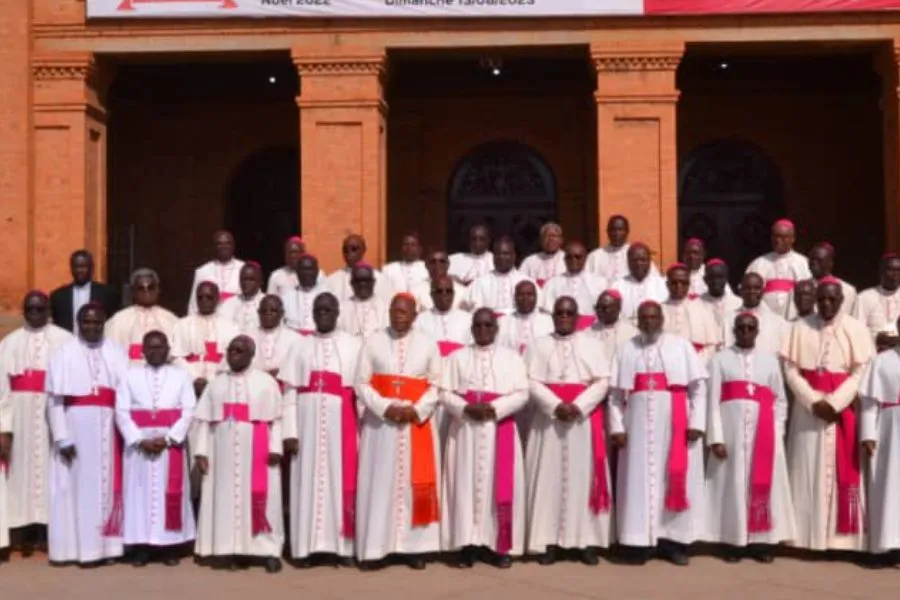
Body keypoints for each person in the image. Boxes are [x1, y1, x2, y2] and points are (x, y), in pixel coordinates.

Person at [609, 300, 708, 566]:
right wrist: (617, 427)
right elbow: (616, 396)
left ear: (661, 319)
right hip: (637, 428)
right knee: (638, 482)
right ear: (637, 321)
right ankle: (639, 542)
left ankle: (672, 542)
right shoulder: (626, 349)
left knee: (672, 478)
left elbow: (698, 388)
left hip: (675, 425)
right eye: (644, 318)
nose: (649, 322)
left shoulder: (680, 346)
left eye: (654, 317)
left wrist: (696, 422)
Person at [781, 277, 874, 553]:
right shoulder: (799, 327)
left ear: (842, 301)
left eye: (832, 299)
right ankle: (804, 539)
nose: (826, 304)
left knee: (841, 473)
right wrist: (813, 401)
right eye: (821, 299)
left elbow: (860, 371)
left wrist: (834, 403)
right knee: (805, 470)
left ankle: (839, 541)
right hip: (807, 413)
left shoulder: (855, 329)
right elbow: (790, 369)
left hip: (840, 411)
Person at [354, 294, 442, 569]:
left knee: (411, 485)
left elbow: (438, 383)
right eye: (394, 310)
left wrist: (416, 410)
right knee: (380, 483)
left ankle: (413, 548)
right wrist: (385, 407)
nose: (398, 316)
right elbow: (361, 383)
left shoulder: (428, 343)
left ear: (415, 315)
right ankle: (376, 547)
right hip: (382, 427)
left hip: (416, 424)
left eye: (404, 312)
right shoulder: (374, 341)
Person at [525, 297, 613, 566]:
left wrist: (578, 405)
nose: (564, 316)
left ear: (577, 316)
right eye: (559, 312)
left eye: (569, 312)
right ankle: (548, 541)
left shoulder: (593, 345)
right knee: (547, 479)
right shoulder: (537, 345)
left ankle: (585, 541)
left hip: (581, 421)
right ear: (552, 315)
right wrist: (554, 405)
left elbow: (603, 381)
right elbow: (529, 380)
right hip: (549, 421)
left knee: (583, 478)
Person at [440, 309, 529, 568]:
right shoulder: (457, 358)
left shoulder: (511, 359)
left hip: (498, 429)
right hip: (465, 430)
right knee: (464, 485)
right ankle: (467, 544)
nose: (482, 330)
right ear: (471, 328)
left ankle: (498, 546)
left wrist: (495, 408)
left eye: (488, 325)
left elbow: (522, 393)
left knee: (497, 486)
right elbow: (444, 392)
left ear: (496, 329)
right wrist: (465, 408)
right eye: (477, 325)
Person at [704, 313, 795, 563]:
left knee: (763, 485)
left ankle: (761, 543)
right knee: (731, 484)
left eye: (750, 328)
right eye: (741, 328)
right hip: (730, 434)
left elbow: (780, 401)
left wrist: (776, 433)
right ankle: (733, 542)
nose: (745, 332)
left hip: (763, 436)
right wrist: (716, 437)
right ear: (734, 330)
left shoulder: (769, 361)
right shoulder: (719, 360)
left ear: (757, 331)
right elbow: (711, 401)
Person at [280, 292, 362, 567]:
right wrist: (289, 432)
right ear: (312, 314)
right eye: (318, 310)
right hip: (306, 427)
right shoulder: (299, 347)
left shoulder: (353, 345)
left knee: (340, 483)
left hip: (342, 426)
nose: (323, 314)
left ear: (338, 312)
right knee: (306, 482)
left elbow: (360, 390)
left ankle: (343, 547)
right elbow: (289, 392)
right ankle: (304, 549)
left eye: (328, 309)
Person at [45, 302, 129, 565]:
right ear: (78, 324)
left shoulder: (116, 351)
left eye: (97, 322)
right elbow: (55, 400)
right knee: (75, 489)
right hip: (76, 430)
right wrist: (62, 437)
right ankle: (78, 550)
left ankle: (108, 549)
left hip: (109, 426)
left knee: (107, 487)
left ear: (104, 323)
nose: (92, 327)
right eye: (87, 322)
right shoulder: (64, 353)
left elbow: (126, 394)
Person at [193, 335, 284, 572]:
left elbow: (277, 419)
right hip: (222, 453)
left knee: (265, 500)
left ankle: (268, 551)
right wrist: (201, 452)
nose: (234, 354)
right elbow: (204, 421)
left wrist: (276, 448)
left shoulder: (266, 382)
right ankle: (229, 549)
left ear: (252, 355)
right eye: (231, 350)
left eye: (240, 351)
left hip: (258, 451)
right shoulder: (216, 383)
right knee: (225, 499)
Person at [115, 331, 196, 567]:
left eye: (160, 347)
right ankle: (141, 547)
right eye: (150, 347)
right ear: (142, 350)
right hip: (139, 446)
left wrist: (169, 438)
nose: (155, 351)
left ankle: (170, 547)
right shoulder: (129, 375)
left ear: (168, 350)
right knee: (138, 496)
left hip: (169, 446)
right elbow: (121, 412)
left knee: (168, 493)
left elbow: (189, 410)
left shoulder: (181, 376)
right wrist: (140, 439)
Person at [0, 291, 72, 555]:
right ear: (23, 312)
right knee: (20, 474)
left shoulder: (65, 340)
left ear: (48, 310)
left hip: (51, 415)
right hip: (20, 416)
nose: (35, 314)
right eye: (30, 309)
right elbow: (2, 390)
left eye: (40, 309)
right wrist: (4, 429)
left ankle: (49, 532)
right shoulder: (9, 343)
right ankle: (21, 532)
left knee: (51, 471)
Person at [860, 319, 900, 563]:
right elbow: (869, 402)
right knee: (889, 486)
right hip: (888, 428)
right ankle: (891, 545)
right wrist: (868, 434)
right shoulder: (882, 361)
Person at [172, 282, 240, 399]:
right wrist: (194, 379)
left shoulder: (230, 327)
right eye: (200, 297)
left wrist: (212, 380)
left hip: (220, 383)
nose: (204, 300)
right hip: (188, 383)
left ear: (218, 299)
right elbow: (176, 357)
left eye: (209, 297)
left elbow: (232, 358)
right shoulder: (181, 325)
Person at [105, 269, 179, 365]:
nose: (146, 291)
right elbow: (110, 356)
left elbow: (178, 357)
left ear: (158, 290)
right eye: (141, 288)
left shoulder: (171, 320)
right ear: (133, 291)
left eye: (150, 287)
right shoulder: (118, 320)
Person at [745, 219, 811, 318]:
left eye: (783, 237)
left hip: (795, 319)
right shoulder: (758, 263)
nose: (778, 241)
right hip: (765, 320)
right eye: (775, 236)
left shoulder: (803, 263)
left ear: (792, 238)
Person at [49, 249, 121, 334]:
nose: (79, 271)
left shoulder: (107, 294)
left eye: (83, 267)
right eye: (76, 267)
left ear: (92, 268)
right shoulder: (58, 296)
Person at [541, 241, 608, 330]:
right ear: (564, 259)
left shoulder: (600, 282)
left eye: (578, 257)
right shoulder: (552, 283)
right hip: (561, 329)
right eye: (569, 257)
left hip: (592, 330)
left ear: (585, 258)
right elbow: (547, 313)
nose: (573, 260)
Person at [661, 264, 720, 364]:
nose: (679, 286)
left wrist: (695, 363)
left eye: (683, 283)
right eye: (674, 282)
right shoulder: (658, 310)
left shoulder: (703, 309)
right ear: (667, 284)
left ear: (689, 285)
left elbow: (711, 345)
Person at [467, 237, 535, 317]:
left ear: (514, 256)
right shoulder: (480, 282)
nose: (501, 257)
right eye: (498, 254)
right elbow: (474, 311)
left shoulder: (526, 282)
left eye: (506, 254)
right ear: (493, 257)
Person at [723, 273, 788, 355]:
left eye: (756, 288)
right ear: (740, 290)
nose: (752, 291)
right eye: (747, 288)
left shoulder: (778, 322)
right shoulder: (728, 320)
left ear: (763, 291)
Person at [250, 296, 304, 389]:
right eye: (264, 310)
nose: (268, 313)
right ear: (258, 313)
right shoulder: (247, 337)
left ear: (281, 313)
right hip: (254, 390)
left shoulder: (296, 339)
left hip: (285, 391)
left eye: (273, 310)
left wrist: (281, 372)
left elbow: (300, 370)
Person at [415, 275, 473, 359]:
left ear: (453, 294)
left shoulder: (468, 319)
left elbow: (472, 347)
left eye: (448, 291)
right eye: (439, 291)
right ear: (432, 294)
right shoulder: (420, 320)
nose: (444, 295)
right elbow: (418, 348)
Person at [188, 230, 244, 315]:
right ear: (213, 247)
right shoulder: (202, 271)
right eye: (219, 244)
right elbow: (193, 304)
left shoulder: (243, 268)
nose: (224, 246)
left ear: (233, 246)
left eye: (227, 243)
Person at [610, 242, 668, 325]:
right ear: (628, 262)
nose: (638, 264)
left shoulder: (662, 285)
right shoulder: (617, 286)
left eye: (643, 260)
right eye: (634, 260)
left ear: (649, 261)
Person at [587, 290, 639, 378]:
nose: (599, 311)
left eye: (604, 308)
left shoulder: (632, 333)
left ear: (618, 308)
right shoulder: (587, 333)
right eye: (597, 308)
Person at [326, 234, 392, 303]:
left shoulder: (380, 279)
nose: (349, 253)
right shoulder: (331, 280)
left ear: (364, 250)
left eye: (354, 249)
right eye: (345, 250)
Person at [588, 215, 653, 282]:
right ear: (607, 232)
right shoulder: (595, 256)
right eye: (613, 230)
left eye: (620, 230)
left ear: (627, 232)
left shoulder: (637, 254)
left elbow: (652, 278)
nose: (617, 233)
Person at [497, 281, 554, 357]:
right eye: (521, 295)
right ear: (514, 298)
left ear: (536, 297)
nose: (525, 298)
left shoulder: (548, 321)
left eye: (529, 294)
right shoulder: (502, 322)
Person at [855, 253, 900, 344]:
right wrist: (876, 338)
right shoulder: (864, 297)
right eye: (891, 270)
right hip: (873, 352)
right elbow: (857, 329)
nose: (895, 274)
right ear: (881, 272)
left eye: (898, 270)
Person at [803, 242, 857, 318]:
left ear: (830, 263)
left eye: (819, 260)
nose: (814, 263)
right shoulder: (801, 289)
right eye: (812, 260)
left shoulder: (848, 290)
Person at [338, 264, 388, 341]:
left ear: (373, 282)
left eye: (366, 280)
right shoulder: (342, 308)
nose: (362, 284)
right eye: (358, 280)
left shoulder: (384, 306)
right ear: (351, 283)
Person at [282, 254, 327, 335]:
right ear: (297, 272)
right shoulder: (286, 297)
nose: (306, 273)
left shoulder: (326, 295)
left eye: (310, 269)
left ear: (317, 271)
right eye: (303, 269)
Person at [218, 262, 265, 334]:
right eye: (244, 279)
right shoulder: (228, 304)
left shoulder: (267, 303)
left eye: (251, 279)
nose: (246, 283)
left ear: (260, 281)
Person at [699, 259, 741, 336]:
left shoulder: (738, 304)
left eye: (720, 277)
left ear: (726, 278)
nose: (716, 282)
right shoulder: (696, 304)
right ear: (705, 279)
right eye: (712, 277)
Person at [519, 222, 565, 288]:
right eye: (547, 236)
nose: (550, 239)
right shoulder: (529, 261)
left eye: (554, 236)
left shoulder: (569, 259)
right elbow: (521, 284)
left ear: (561, 240)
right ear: (540, 240)